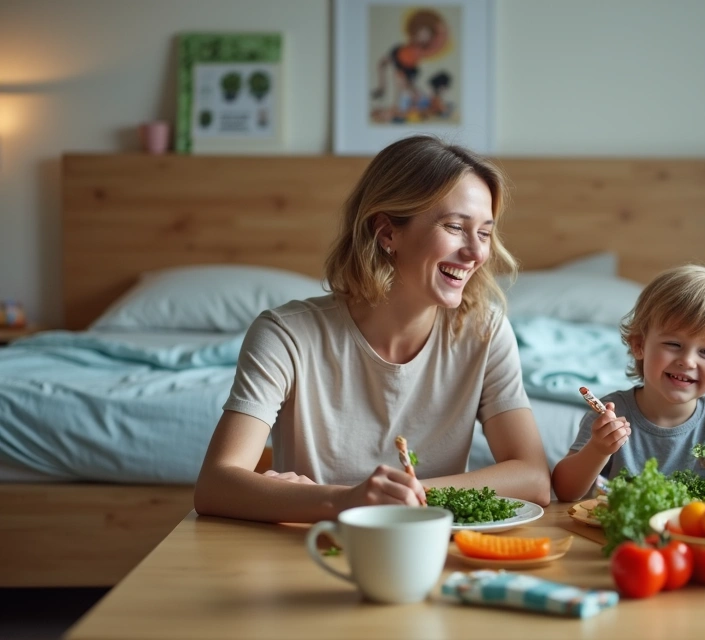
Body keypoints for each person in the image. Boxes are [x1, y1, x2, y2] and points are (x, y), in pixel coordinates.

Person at [194, 136, 551, 523]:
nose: (476, 253)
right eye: (454, 227)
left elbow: (533, 477)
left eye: (483, 233)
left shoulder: (484, 333)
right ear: (387, 233)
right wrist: (345, 502)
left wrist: (398, 497)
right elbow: (216, 484)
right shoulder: (285, 336)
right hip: (309, 550)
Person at [552, 265, 705, 507]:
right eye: (673, 344)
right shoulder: (609, 414)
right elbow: (565, 490)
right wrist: (597, 449)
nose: (687, 361)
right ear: (639, 345)